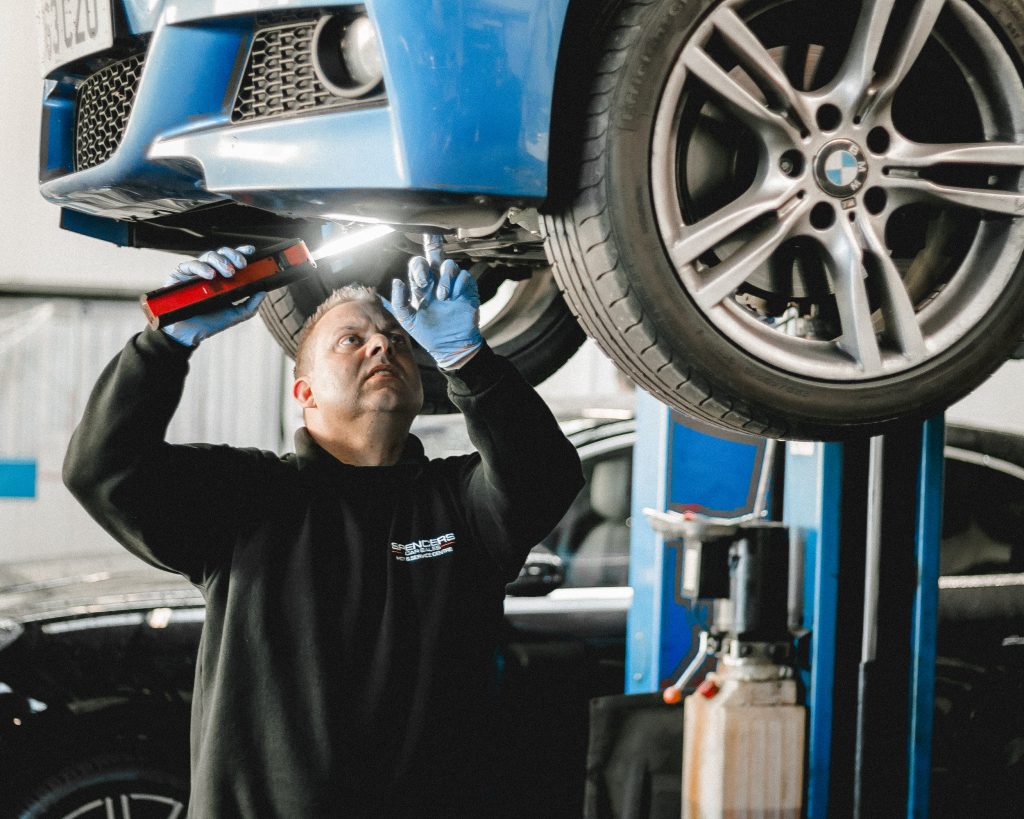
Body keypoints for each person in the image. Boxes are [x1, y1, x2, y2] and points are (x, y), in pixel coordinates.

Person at [63, 245, 584, 817]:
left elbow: (546, 475)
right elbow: (102, 470)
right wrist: (167, 343)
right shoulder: (246, 496)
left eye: (400, 341)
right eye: (351, 340)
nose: (384, 344)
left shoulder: (459, 504)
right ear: (305, 393)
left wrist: (467, 357)